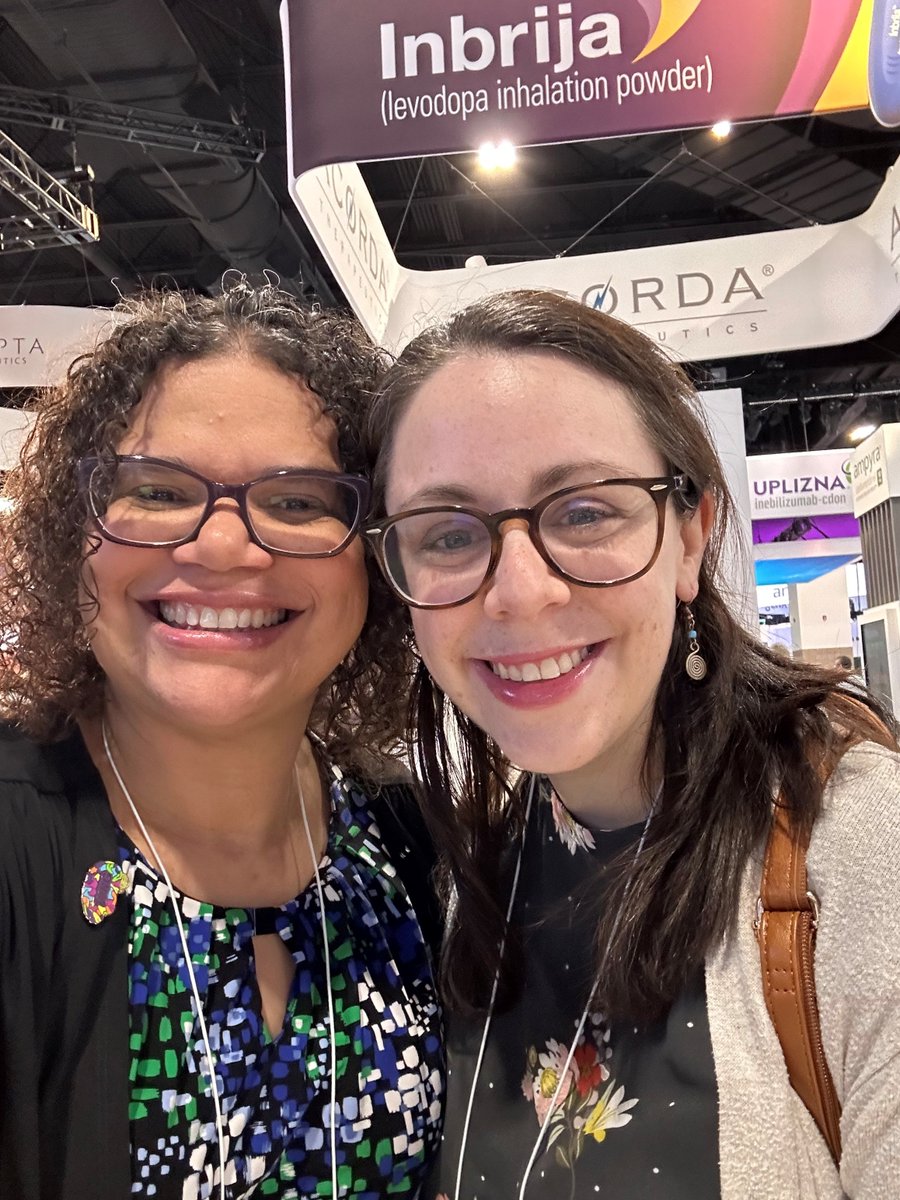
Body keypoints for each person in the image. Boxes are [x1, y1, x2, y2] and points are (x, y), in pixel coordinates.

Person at [363, 290, 900, 1199]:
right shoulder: (468, 854)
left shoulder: (855, 849)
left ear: (691, 536)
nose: (520, 594)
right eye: (449, 533)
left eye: (583, 513)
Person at [0, 284, 443, 1200]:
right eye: (157, 491)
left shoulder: (411, 841)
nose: (226, 546)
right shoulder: (16, 842)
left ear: (375, 556)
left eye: (299, 501)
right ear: (69, 535)